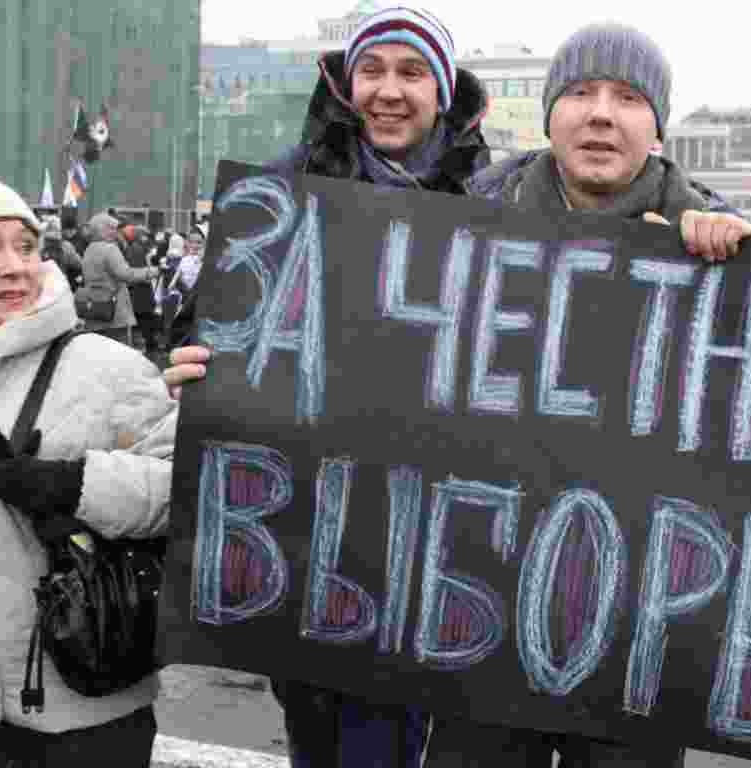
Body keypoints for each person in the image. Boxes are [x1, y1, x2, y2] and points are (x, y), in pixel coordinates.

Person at [424, 21, 751, 768]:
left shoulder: (719, 242)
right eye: (580, 92)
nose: (602, 113)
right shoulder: (460, 218)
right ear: (550, 114)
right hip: (479, 595)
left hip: (639, 622)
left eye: (629, 97)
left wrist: (738, 277)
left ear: (657, 126)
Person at [168, 6, 489, 767]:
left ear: (442, 91)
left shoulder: (494, 197)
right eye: (371, 70)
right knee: (316, 729)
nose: (388, 90)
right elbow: (213, 317)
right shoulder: (285, 186)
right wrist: (191, 356)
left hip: (435, 539)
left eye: (412, 72)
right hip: (305, 526)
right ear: (346, 85)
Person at [0, 172, 177, 767]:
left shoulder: (106, 367)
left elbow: (185, 491)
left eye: (27, 246)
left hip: (83, 709)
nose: (16, 266)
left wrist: (76, 484)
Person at [75, 211, 162, 345]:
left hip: (95, 308)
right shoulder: (110, 249)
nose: (115, 232)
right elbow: (125, 274)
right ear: (103, 230)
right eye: (111, 228)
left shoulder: (89, 249)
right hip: (114, 312)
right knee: (119, 354)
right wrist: (151, 272)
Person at [119, 221, 161, 352]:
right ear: (140, 236)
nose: (147, 238)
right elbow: (137, 271)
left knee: (145, 319)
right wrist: (151, 273)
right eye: (145, 235)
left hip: (140, 291)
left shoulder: (136, 248)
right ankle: (149, 345)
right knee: (145, 320)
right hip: (140, 292)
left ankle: (149, 343)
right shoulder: (136, 249)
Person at [40, 216, 83, 291]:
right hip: (60, 286)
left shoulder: (38, 246)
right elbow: (79, 264)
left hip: (42, 286)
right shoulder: (66, 246)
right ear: (59, 230)